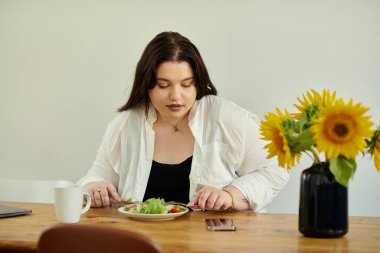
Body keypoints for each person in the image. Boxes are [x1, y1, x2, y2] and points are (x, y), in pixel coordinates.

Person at [77, 31, 289, 211]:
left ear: (197, 83)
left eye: (186, 84)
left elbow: (275, 170)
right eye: (163, 85)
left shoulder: (226, 117)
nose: (176, 96)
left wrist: (231, 195)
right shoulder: (125, 124)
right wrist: (94, 188)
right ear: (147, 85)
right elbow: (92, 179)